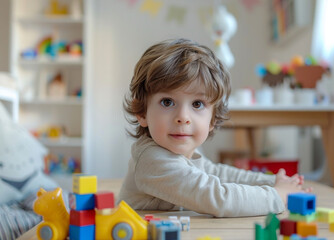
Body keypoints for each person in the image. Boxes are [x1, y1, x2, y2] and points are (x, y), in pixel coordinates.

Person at [118, 38, 311, 217]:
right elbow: (219, 198)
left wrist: (272, 182)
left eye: (197, 104)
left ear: (212, 119)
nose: (183, 118)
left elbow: (218, 173)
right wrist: (278, 195)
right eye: (167, 102)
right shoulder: (153, 160)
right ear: (142, 112)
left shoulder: (183, 148)